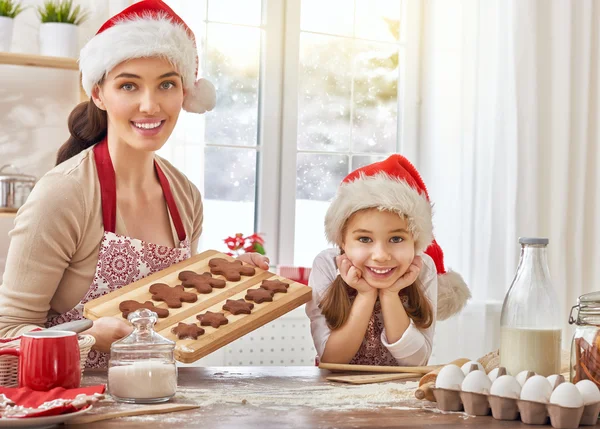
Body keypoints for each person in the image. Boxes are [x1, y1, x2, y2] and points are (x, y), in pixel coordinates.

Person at [0, 0, 268, 368]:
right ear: (98, 94)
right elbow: (8, 335)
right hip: (75, 410)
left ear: (185, 93)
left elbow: (175, 311)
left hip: (159, 403)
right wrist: (90, 339)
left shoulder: (185, 195)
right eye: (128, 86)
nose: (149, 105)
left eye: (166, 85)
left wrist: (233, 278)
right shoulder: (64, 193)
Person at [306, 154, 471, 366]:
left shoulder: (423, 267)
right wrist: (365, 295)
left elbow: (416, 362)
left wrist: (390, 293)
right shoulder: (327, 265)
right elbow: (333, 360)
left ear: (415, 242)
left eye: (396, 238)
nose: (381, 255)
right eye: (364, 239)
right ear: (343, 242)